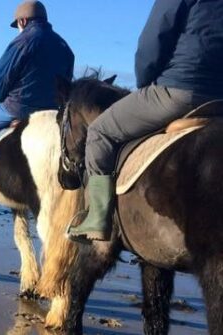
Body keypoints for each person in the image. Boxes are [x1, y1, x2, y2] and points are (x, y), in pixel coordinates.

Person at [68, 0, 223, 242]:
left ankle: (97, 218)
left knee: (100, 131)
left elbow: (153, 42)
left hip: (179, 90)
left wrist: (144, 82)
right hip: (219, 100)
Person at [0, 0, 74, 193]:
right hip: (53, 110)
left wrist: (0, 101)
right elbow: (67, 83)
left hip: (18, 107)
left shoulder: (22, 41)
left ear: (23, 21)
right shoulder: (64, 46)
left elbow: (0, 78)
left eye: (17, 25)